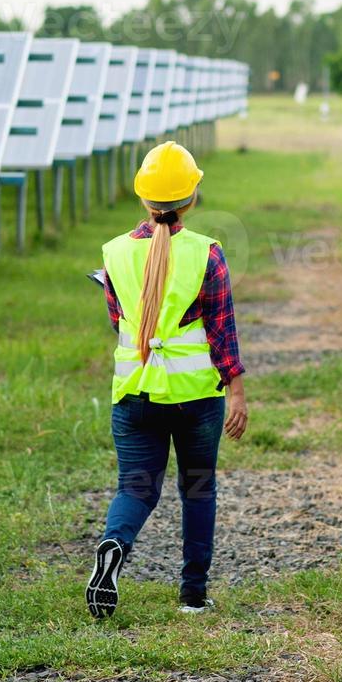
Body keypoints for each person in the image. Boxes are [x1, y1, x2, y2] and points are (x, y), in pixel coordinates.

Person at [86, 141, 248, 619]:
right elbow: (223, 331)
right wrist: (236, 390)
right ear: (191, 198)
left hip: (134, 393)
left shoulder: (114, 254)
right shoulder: (207, 255)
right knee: (197, 487)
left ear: (142, 197)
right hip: (196, 397)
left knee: (135, 487)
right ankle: (193, 595)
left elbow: (121, 321)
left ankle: (114, 544)